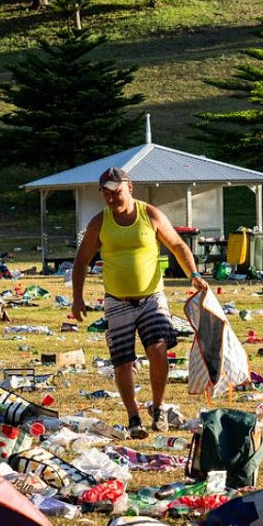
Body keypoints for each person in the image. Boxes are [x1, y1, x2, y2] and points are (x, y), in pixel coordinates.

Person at [72, 167, 208, 438]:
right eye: (106, 194)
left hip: (151, 298)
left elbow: (178, 245)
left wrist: (193, 274)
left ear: (129, 188)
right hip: (117, 301)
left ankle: (157, 408)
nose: (112, 199)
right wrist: (77, 298)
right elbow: (82, 260)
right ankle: (133, 416)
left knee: (157, 350)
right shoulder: (100, 222)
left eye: (116, 192)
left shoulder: (151, 215)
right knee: (123, 361)